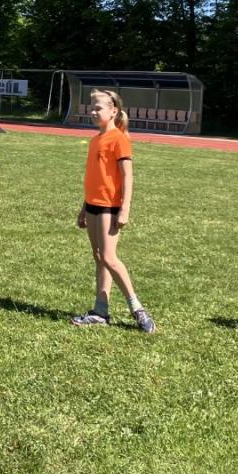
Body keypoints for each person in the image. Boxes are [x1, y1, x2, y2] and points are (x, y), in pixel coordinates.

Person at [71, 89, 156, 333]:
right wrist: (83, 208)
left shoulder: (119, 139)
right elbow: (94, 178)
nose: (93, 111)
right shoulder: (95, 140)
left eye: (98, 108)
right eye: (92, 107)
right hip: (92, 206)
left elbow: (127, 176)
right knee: (99, 257)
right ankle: (101, 311)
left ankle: (137, 308)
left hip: (110, 207)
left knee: (109, 257)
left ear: (113, 111)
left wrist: (125, 208)